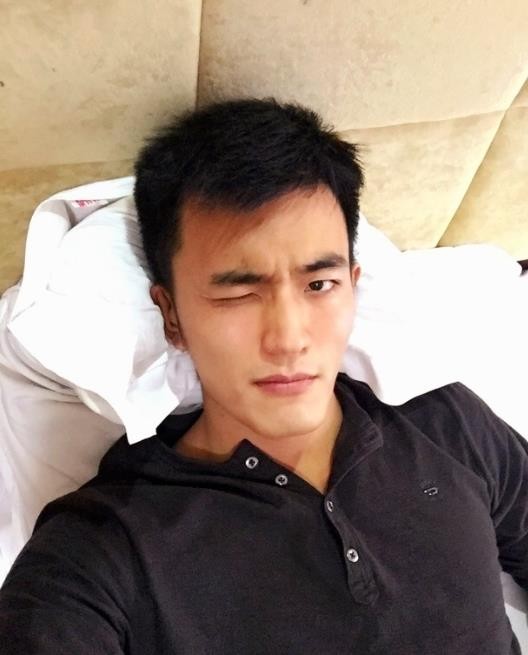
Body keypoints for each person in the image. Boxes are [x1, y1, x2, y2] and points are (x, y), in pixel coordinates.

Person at [0, 98, 526, 655]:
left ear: (353, 285)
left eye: (319, 285)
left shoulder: (444, 423)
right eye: (239, 293)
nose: (289, 338)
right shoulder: (106, 546)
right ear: (172, 316)